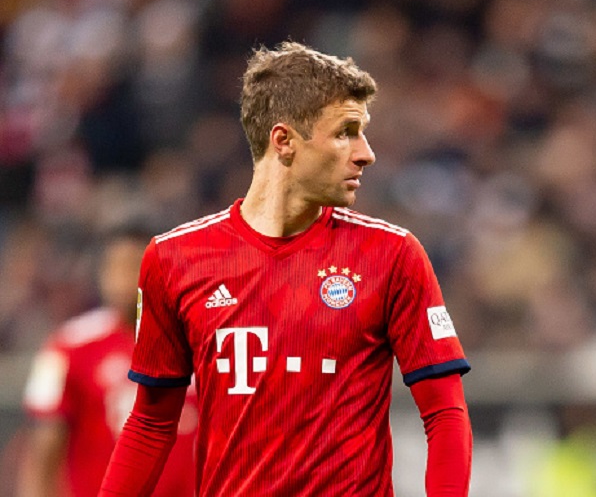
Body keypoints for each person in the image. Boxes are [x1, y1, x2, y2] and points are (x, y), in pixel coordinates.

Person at [99, 41, 472, 496]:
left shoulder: (392, 255)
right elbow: (151, 423)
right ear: (284, 141)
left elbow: (445, 413)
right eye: (346, 132)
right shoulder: (173, 259)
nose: (365, 153)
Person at [18, 228, 198, 497]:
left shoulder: (200, 341)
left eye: (134, 265)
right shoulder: (69, 346)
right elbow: (43, 458)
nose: (124, 280)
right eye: (115, 268)